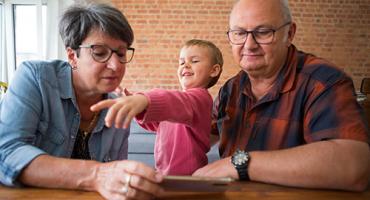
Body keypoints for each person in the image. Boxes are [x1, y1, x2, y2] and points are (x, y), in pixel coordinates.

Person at [193, 0, 370, 191]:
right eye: (240, 33)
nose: (249, 44)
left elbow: (353, 166)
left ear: (289, 34)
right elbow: (199, 137)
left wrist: (239, 164)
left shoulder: (323, 81)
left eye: (263, 32)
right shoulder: (230, 89)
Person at [0, 4, 163, 200]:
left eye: (121, 53)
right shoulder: (36, 78)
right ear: (72, 56)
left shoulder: (119, 109)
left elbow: (114, 183)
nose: (115, 65)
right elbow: (6, 153)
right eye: (100, 52)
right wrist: (96, 174)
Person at [91, 39, 223, 175]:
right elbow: (156, 123)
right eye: (181, 62)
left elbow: (173, 100)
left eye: (194, 61)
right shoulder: (176, 107)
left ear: (213, 70)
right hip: (163, 173)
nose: (186, 65)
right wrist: (138, 107)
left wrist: (144, 100)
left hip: (189, 177)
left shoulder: (200, 99)